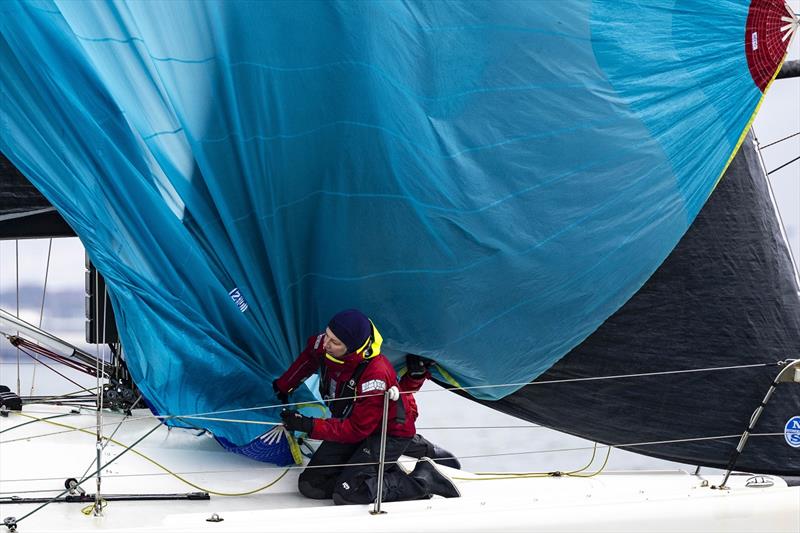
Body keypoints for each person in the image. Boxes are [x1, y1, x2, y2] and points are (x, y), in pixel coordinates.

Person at [274, 309, 460, 505]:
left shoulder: (375, 375)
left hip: (387, 433)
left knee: (348, 494)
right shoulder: (326, 345)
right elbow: (310, 356)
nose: (326, 343)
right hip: (352, 422)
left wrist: (308, 425)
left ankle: (424, 479)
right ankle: (377, 470)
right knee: (312, 486)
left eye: (334, 342)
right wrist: (285, 385)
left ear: (353, 348)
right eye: (327, 335)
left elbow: (356, 430)